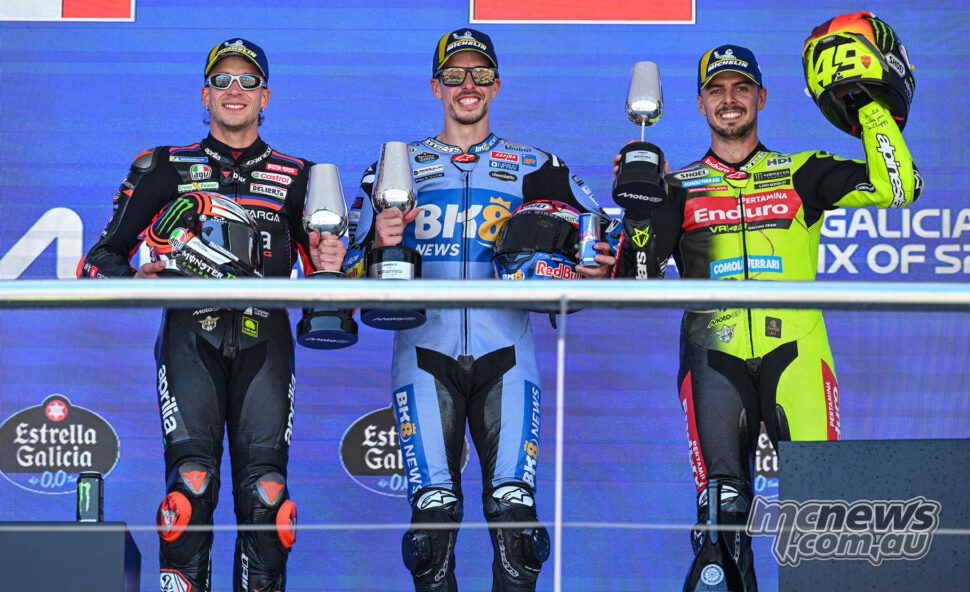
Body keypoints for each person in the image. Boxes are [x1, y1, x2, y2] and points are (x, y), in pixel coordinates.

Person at [614, 35, 922, 590]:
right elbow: (634, 276)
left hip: (798, 355)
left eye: (741, 88)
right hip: (714, 358)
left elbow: (898, 186)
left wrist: (868, 104)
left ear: (761, 98)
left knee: (821, 514)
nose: (729, 99)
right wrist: (639, 207)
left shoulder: (802, 170)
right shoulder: (677, 187)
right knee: (721, 523)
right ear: (701, 104)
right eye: (716, 90)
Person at [343, 28, 614, 592]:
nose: (469, 85)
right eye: (456, 75)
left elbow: (600, 240)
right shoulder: (396, 164)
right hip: (422, 353)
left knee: (518, 530)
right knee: (431, 533)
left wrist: (595, 266)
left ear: (497, 84)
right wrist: (375, 242)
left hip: (508, 355)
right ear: (436, 86)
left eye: (481, 74)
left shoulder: (537, 165)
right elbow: (343, 271)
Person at [77, 38, 345, 592]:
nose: (235, 90)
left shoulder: (302, 175)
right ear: (205, 93)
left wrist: (331, 261)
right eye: (223, 80)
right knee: (189, 490)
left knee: (269, 498)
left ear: (266, 97)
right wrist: (135, 279)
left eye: (248, 81)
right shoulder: (164, 166)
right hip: (188, 340)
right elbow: (98, 261)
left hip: (265, 341)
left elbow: (330, 268)